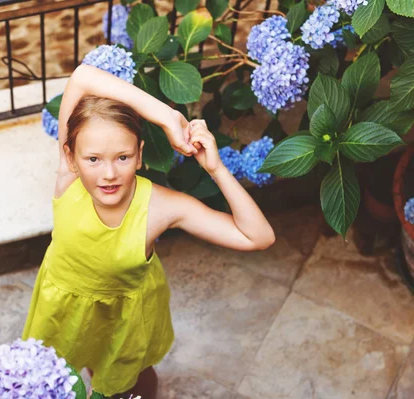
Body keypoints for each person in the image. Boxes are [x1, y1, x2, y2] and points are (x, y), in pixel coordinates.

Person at [22, 64, 275, 398]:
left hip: (123, 321)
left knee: (124, 385)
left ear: (140, 155)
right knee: (55, 374)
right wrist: (166, 115)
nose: (109, 173)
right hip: (61, 309)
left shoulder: (160, 206)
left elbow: (258, 237)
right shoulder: (68, 179)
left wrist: (215, 168)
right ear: (71, 158)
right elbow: (82, 77)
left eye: (123, 157)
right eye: (94, 159)